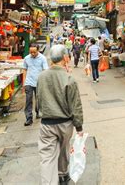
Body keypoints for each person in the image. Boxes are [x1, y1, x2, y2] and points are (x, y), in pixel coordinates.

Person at [37, 45, 83, 185]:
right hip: (65, 123)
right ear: (65, 58)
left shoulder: (42, 76)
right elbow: (75, 105)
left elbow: (39, 99)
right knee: (64, 149)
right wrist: (79, 127)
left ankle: (49, 182)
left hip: (46, 123)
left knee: (47, 157)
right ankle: (62, 174)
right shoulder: (69, 78)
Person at [22, 45, 49, 126]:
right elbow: (24, 69)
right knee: (28, 100)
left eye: (34, 52)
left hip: (39, 82)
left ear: (38, 50)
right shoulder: (26, 58)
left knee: (39, 99)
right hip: (29, 82)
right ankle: (29, 118)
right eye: (31, 52)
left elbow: (45, 70)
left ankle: (38, 111)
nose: (32, 54)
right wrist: (24, 82)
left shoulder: (42, 58)